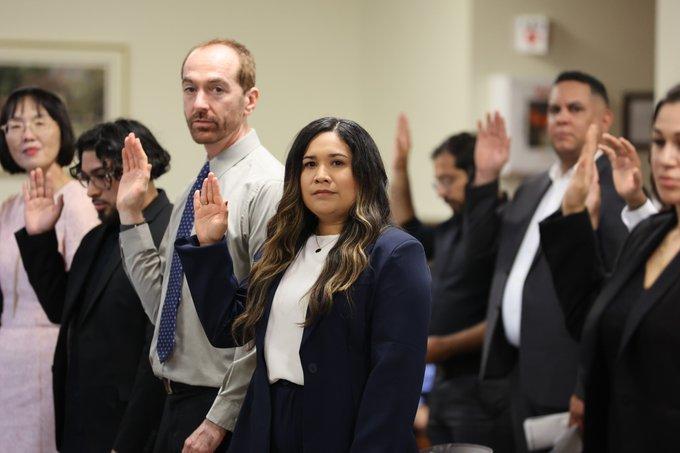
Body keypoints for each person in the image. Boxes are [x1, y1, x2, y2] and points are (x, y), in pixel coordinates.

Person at [168, 117, 432, 452]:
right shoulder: (284, 247)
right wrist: (208, 246)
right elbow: (228, 327)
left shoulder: (394, 253)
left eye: (337, 163)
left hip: (342, 429)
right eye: (310, 164)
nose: (321, 175)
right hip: (267, 423)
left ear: (363, 175)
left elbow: (394, 379)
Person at [117, 38, 284, 452]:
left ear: (251, 99)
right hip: (173, 399)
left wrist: (219, 420)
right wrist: (131, 215)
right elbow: (162, 305)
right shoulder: (201, 183)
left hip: (222, 410)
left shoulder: (266, 186)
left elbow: (267, 322)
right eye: (190, 89)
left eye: (217, 88)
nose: (199, 103)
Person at [469, 71, 629, 452]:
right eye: (553, 109)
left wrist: (587, 386)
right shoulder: (533, 186)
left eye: (574, 109)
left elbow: (614, 299)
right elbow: (481, 252)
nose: (560, 117)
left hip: (569, 382)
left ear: (604, 120)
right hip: (516, 373)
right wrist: (487, 175)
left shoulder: (617, 190)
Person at [539, 85, 680, 452]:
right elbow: (593, 317)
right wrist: (573, 216)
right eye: (659, 142)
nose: (666, 158)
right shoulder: (651, 232)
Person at [15, 119, 170, 452]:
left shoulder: (170, 231)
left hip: (131, 433)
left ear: (142, 168)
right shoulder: (98, 236)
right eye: (86, 178)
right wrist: (39, 236)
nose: (91, 191)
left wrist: (129, 441)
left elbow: (158, 354)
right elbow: (62, 309)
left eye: (103, 176)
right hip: (82, 424)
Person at [389, 113, 512, 451]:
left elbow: (507, 318)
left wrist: (445, 345)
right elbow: (407, 225)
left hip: (482, 388)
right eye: (437, 182)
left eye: (448, 180)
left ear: (476, 174)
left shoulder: (503, 227)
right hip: (445, 382)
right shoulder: (452, 228)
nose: (441, 192)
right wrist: (400, 167)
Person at [0, 87, 99, 452]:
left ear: (61, 128)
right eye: (13, 125)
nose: (26, 134)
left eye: (39, 121)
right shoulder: (9, 207)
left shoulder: (77, 200)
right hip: (6, 362)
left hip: (52, 360)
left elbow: (85, 299)